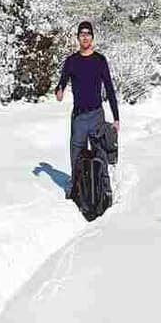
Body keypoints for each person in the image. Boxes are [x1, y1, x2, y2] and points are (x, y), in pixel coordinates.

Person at [55, 21, 120, 197]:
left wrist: (116, 118)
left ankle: (105, 190)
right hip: (79, 118)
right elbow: (61, 82)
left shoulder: (100, 60)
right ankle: (76, 190)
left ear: (92, 37)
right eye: (82, 34)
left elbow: (110, 89)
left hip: (97, 116)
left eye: (88, 34)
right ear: (78, 37)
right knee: (76, 155)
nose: (85, 37)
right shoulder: (71, 61)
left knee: (101, 154)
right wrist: (59, 90)